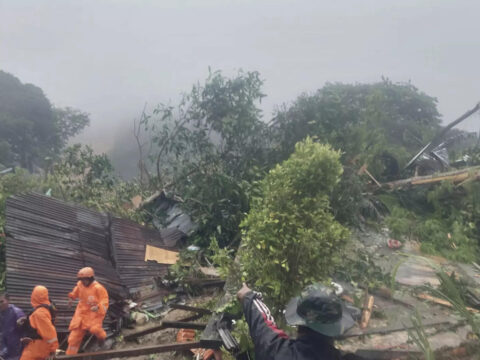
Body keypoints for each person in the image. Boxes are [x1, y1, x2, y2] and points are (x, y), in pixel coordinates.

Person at [237, 282, 364, 360]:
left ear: (300, 323)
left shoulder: (275, 351)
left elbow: (262, 324)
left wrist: (249, 297)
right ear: (336, 328)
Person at [66, 267, 109, 355]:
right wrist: (71, 297)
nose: (83, 282)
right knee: (72, 339)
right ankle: (70, 356)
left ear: (90, 278)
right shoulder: (80, 285)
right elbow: (75, 293)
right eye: (81, 280)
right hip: (81, 313)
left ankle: (102, 340)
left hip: (94, 313)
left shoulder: (98, 288)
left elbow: (105, 301)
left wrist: (98, 307)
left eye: (84, 279)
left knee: (95, 329)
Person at [19, 286, 58, 360]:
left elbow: (50, 333)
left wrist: (53, 350)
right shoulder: (43, 309)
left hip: (38, 348)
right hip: (37, 345)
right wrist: (26, 320)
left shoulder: (39, 313)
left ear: (34, 296)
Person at [0, 292, 25, 360]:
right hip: (3, 352)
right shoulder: (1, 314)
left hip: (15, 353)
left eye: (2, 301)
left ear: (8, 300)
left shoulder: (17, 313)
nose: (0, 304)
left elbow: (25, 332)